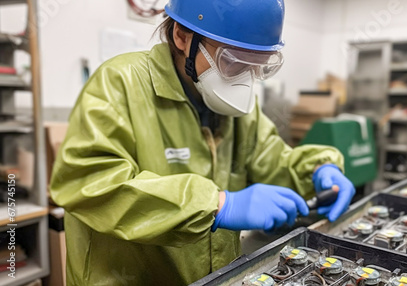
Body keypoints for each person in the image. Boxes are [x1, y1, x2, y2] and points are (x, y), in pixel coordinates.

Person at [50, 0, 355, 285]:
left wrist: (317, 170)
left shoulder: (236, 108)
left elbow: (271, 157)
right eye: (234, 62)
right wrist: (218, 205)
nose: (245, 80)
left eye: (259, 65)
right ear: (182, 37)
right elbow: (89, 182)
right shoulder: (119, 83)